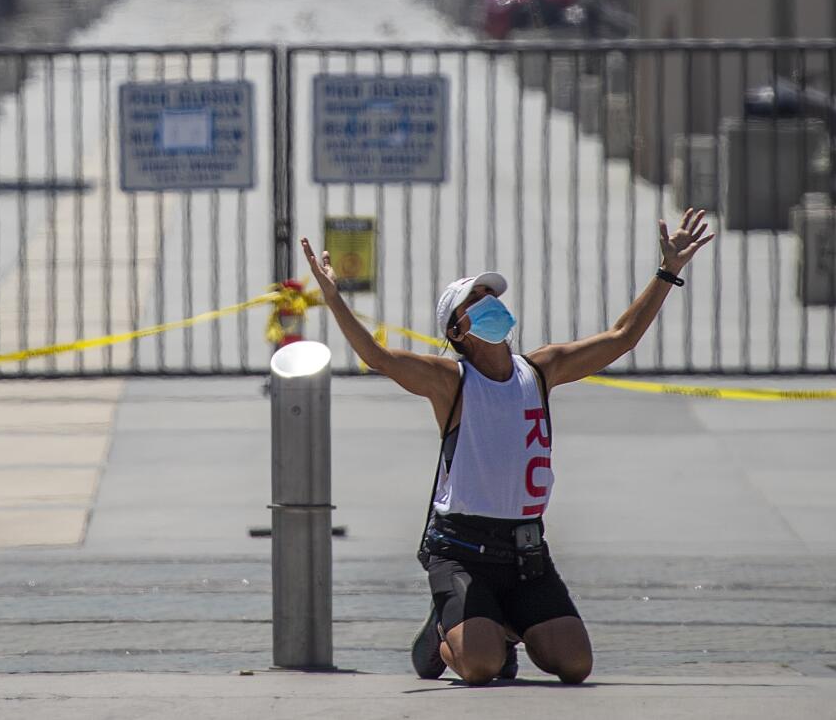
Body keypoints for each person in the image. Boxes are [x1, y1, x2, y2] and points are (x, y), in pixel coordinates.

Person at [299, 208, 712, 685]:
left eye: (491, 296)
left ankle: (502, 624)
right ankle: (443, 634)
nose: (490, 303)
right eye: (475, 301)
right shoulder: (449, 379)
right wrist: (334, 299)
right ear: (457, 331)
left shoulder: (539, 369)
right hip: (460, 549)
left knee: (575, 665)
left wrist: (667, 272)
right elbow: (376, 356)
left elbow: (622, 337)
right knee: (480, 668)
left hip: (525, 551)